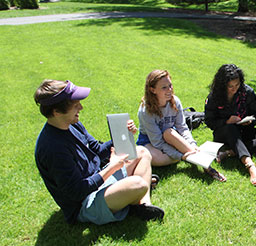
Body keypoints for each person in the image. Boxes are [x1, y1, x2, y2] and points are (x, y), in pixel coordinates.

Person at [34, 79, 164, 224]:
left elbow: (97, 150)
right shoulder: (52, 148)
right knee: (138, 184)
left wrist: (124, 134)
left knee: (141, 151)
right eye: (75, 105)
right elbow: (77, 192)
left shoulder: (72, 125)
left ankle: (143, 206)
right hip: (84, 203)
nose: (81, 108)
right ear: (56, 112)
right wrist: (112, 167)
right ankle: (131, 196)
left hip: (98, 180)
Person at [137, 70, 226, 182]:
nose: (169, 90)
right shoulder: (145, 110)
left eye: (170, 85)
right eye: (164, 87)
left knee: (169, 132)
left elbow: (182, 128)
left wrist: (193, 145)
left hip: (171, 136)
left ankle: (205, 165)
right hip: (150, 141)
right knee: (152, 158)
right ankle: (188, 156)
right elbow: (157, 142)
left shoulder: (175, 101)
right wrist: (180, 156)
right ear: (152, 90)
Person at [205, 64, 256, 186]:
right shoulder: (214, 96)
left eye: (237, 85)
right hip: (224, 132)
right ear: (223, 84)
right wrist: (226, 121)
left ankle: (230, 152)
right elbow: (209, 121)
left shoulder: (247, 92)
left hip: (244, 129)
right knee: (231, 128)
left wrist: (250, 121)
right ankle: (250, 166)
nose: (234, 89)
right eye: (230, 86)